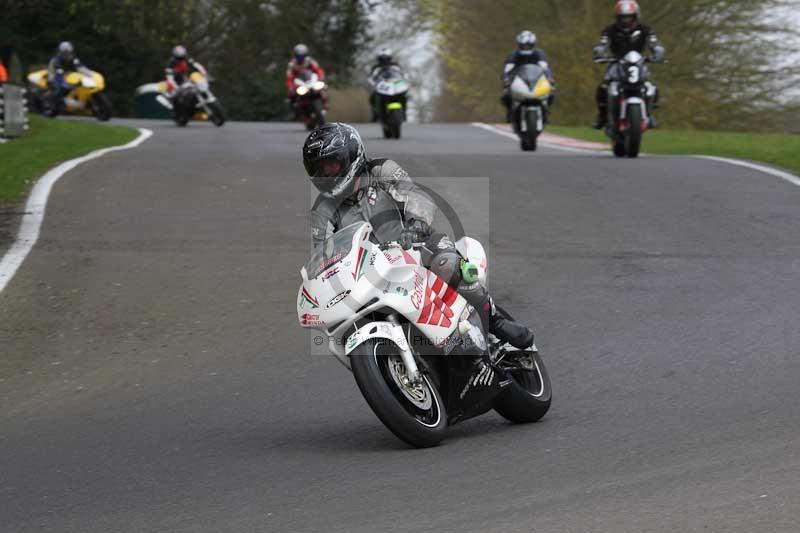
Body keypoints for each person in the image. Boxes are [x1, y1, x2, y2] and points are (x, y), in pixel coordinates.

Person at [303, 122, 535, 351]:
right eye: (319, 169)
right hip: (369, 273)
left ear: (351, 155)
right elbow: (323, 251)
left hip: (412, 245)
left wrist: (416, 224)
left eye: (331, 165)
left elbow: (414, 194)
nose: (326, 174)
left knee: (448, 264)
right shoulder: (322, 209)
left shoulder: (380, 170)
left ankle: (495, 320)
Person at [592, 0, 666, 129]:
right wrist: (600, 52)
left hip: (639, 63)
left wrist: (658, 52)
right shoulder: (609, 30)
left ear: (636, 16)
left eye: (629, 17)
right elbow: (602, 44)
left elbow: (654, 43)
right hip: (616, 63)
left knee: (651, 88)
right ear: (617, 17)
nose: (626, 20)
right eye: (623, 17)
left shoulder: (645, 29)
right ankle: (602, 116)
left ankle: (649, 114)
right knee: (603, 88)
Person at [501, 30, 554, 123]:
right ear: (519, 44)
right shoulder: (514, 55)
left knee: (551, 93)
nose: (526, 47)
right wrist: (506, 79)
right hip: (518, 81)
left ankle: (545, 112)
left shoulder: (539, 54)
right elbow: (507, 69)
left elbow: (545, 67)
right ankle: (510, 112)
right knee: (506, 95)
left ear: (533, 44)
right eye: (523, 45)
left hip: (536, 80)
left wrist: (549, 77)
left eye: (528, 45)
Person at [46, 41, 92, 116]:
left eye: (68, 51)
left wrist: (90, 74)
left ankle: (78, 101)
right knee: (56, 85)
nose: (67, 53)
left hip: (70, 76)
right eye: (65, 52)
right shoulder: (56, 59)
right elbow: (58, 70)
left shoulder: (73, 58)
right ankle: (52, 104)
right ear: (61, 51)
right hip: (56, 74)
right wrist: (61, 74)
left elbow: (80, 67)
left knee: (76, 84)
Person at [285, 44, 326, 115]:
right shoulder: (292, 64)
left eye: (302, 55)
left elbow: (318, 70)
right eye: (299, 56)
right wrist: (290, 87)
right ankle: (292, 110)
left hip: (311, 81)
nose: (300, 57)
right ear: (295, 55)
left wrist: (321, 77)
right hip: (299, 83)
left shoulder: (310, 61)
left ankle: (325, 106)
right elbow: (289, 77)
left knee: (323, 88)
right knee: (291, 94)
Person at [367, 47, 404, 122]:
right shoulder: (376, 68)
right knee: (373, 97)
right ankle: (376, 113)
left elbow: (402, 75)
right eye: (382, 58)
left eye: (386, 58)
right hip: (382, 86)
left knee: (404, 94)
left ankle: (403, 111)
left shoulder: (395, 66)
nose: (384, 60)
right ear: (379, 58)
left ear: (390, 57)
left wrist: (403, 81)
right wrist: (374, 83)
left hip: (395, 86)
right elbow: (371, 77)